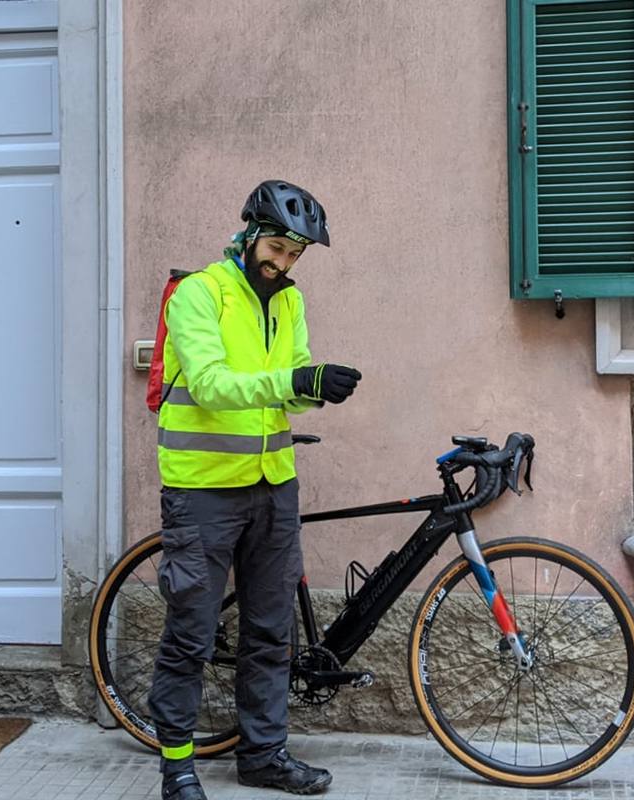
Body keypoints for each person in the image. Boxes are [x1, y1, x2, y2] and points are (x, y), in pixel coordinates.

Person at [148, 180, 361, 800]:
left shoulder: (289, 302)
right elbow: (213, 386)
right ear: (248, 233)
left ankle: (263, 756)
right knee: (191, 631)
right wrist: (292, 377)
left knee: (271, 631)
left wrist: (315, 386)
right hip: (204, 490)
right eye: (276, 247)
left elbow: (285, 388)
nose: (283, 263)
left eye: (295, 255)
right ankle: (178, 768)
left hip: (274, 485)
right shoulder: (199, 294)